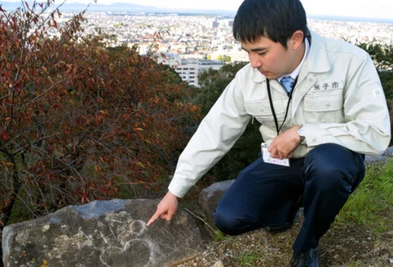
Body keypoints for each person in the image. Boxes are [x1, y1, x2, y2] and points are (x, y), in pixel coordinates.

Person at [147, 0, 391, 266]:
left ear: (295, 39)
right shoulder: (248, 79)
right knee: (229, 218)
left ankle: (308, 244)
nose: (253, 62)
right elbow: (214, 132)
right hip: (282, 161)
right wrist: (175, 191)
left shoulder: (349, 61)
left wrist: (303, 132)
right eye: (247, 51)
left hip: (332, 161)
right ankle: (288, 209)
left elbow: (375, 132)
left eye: (261, 51)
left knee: (328, 168)